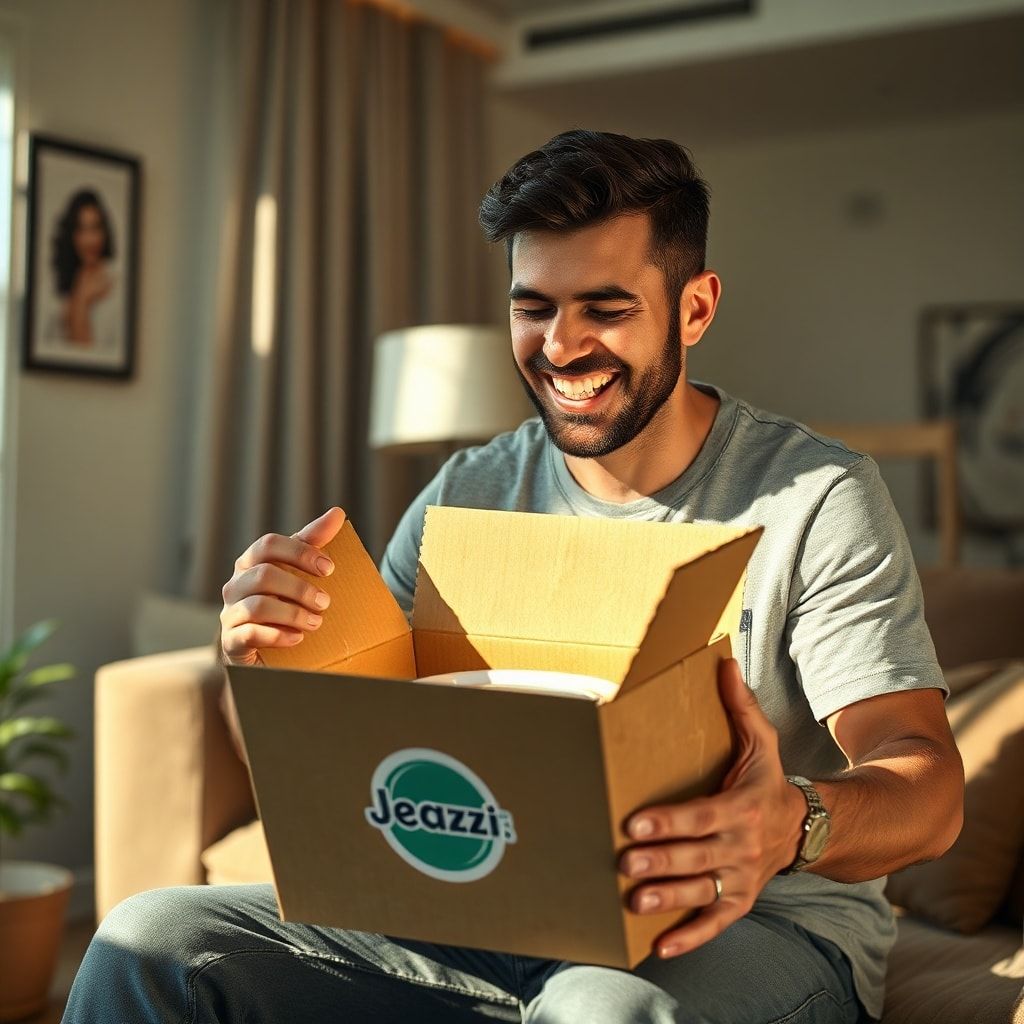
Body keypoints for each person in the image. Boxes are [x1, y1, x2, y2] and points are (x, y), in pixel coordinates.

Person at [64, 130, 963, 1024]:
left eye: (605, 309)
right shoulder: (471, 492)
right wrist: (260, 661)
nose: (561, 347)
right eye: (534, 308)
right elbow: (328, 766)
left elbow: (927, 788)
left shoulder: (815, 496)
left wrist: (793, 823)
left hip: (747, 927)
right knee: (153, 938)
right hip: (484, 916)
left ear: (695, 309)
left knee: (598, 1006)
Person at [47, 188, 116, 347]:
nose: (90, 240)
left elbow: (86, 353)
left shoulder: (114, 282)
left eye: (95, 228)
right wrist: (82, 298)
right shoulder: (60, 286)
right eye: (82, 230)